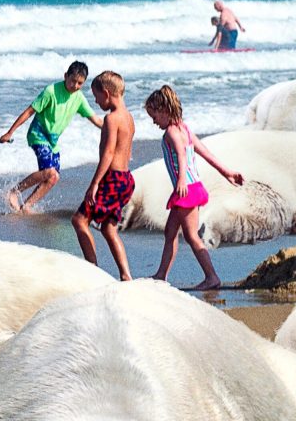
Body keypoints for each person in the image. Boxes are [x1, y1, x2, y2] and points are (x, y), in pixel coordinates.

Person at [145, 85, 244, 290]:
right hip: (193, 187)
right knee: (170, 232)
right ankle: (161, 275)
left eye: (154, 115)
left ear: (164, 110)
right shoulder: (185, 129)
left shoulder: (172, 132)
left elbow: (181, 154)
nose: (154, 121)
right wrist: (227, 172)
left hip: (186, 190)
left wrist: (181, 180)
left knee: (191, 236)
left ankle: (212, 277)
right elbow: (205, 152)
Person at [0, 61, 103, 212]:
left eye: (80, 83)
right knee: (50, 172)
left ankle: (26, 206)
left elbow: (96, 119)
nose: (75, 86)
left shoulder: (78, 98)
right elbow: (29, 111)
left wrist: (113, 130)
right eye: (73, 81)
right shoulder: (51, 91)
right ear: (65, 76)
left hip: (53, 142)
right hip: (38, 135)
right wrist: (10, 132)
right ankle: (14, 192)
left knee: (53, 178)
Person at [71, 71, 136, 281]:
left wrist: (95, 184)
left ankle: (93, 271)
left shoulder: (111, 119)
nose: (97, 102)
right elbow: (127, 151)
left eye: (97, 97)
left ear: (107, 93)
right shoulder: (129, 118)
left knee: (79, 220)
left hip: (112, 179)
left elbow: (108, 153)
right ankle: (126, 275)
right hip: (126, 179)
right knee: (109, 229)